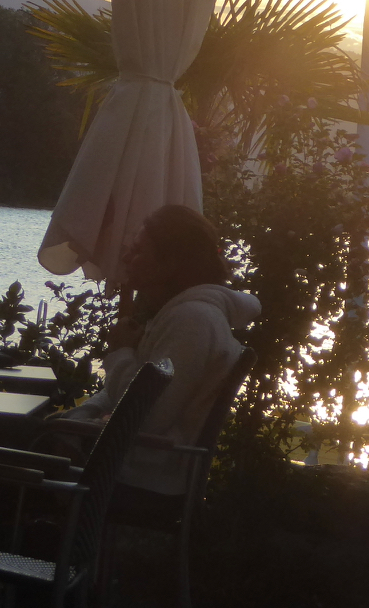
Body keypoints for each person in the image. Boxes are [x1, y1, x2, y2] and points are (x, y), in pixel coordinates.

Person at [56, 204, 260, 494]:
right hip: (132, 465)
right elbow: (123, 399)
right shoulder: (177, 316)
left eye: (138, 251)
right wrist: (78, 419)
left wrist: (121, 352)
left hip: (139, 478)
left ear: (171, 264)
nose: (126, 258)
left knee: (16, 440)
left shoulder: (192, 322)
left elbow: (146, 418)